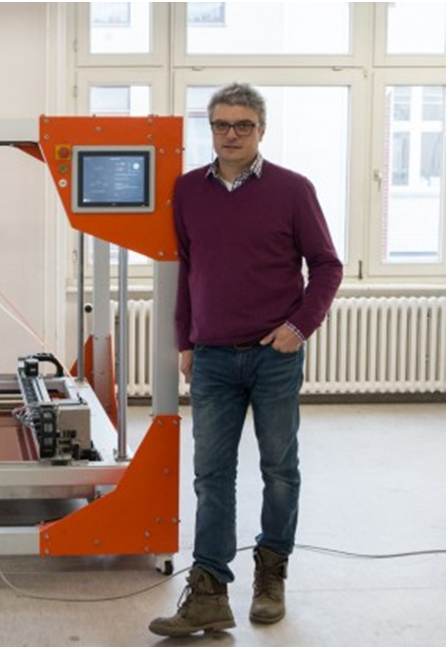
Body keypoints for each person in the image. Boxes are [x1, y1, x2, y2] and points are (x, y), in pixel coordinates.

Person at [149, 83, 342, 637]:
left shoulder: (293, 190)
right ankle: (209, 592)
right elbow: (189, 269)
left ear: (262, 130)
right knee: (211, 476)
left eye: (242, 125)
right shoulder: (188, 190)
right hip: (212, 357)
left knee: (279, 470)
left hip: (272, 356)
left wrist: (299, 327)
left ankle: (271, 574)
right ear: (209, 128)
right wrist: (186, 341)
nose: (231, 134)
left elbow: (326, 266)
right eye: (221, 124)